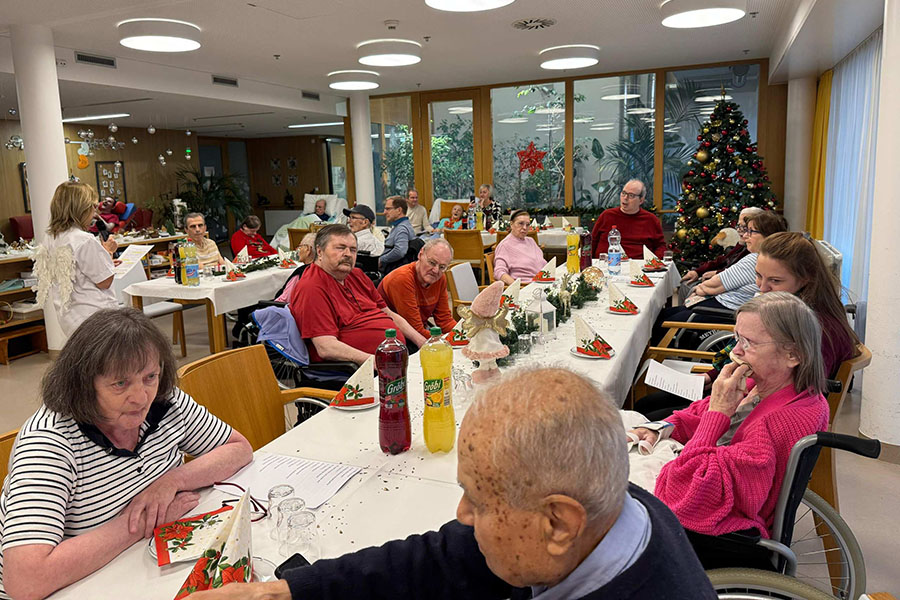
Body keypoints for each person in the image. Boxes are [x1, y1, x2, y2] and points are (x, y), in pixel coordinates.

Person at [186, 368, 716, 600]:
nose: (462, 514)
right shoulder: (605, 504)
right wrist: (284, 591)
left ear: (558, 522)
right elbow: (444, 558)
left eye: (479, 501)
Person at [0, 308, 253, 600]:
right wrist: (142, 522)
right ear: (84, 384)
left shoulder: (164, 401)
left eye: (150, 376)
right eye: (120, 383)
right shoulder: (49, 443)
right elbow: (26, 581)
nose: (141, 397)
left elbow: (238, 449)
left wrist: (171, 481)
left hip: (133, 567)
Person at [631, 293, 829, 570]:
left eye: (748, 343)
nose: (735, 351)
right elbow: (697, 413)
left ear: (793, 355)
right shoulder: (764, 385)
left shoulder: (779, 422)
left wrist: (718, 413)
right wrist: (662, 427)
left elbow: (682, 489)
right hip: (710, 480)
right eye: (737, 338)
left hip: (714, 522)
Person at [638, 231, 858, 421]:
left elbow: (797, 397)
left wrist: (721, 402)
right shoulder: (787, 309)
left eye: (775, 281)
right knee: (648, 405)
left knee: (649, 415)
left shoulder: (815, 328)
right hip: (748, 393)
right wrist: (713, 376)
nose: (762, 288)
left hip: (760, 410)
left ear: (806, 279)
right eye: (759, 276)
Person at [290, 224, 426, 364]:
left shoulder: (356, 275)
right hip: (359, 367)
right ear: (319, 251)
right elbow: (326, 347)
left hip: (394, 355)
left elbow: (388, 313)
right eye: (340, 248)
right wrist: (377, 363)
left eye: (353, 250)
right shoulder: (312, 287)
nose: (348, 254)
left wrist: (422, 342)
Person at [650, 210, 787, 344]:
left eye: (751, 231)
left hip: (723, 310)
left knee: (660, 324)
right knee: (663, 314)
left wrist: (700, 289)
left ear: (768, 235)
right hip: (725, 304)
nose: (745, 235)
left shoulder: (755, 259)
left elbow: (715, 284)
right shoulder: (766, 258)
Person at [33, 181, 119, 337]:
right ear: (81, 209)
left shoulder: (51, 238)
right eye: (92, 207)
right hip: (96, 317)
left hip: (71, 318)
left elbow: (76, 270)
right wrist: (108, 252)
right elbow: (105, 281)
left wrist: (104, 260)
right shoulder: (84, 240)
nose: (95, 213)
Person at [377, 239, 457, 338]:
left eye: (442, 267)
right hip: (394, 336)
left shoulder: (440, 279)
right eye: (432, 263)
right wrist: (448, 340)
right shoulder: (402, 279)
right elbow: (415, 329)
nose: (436, 270)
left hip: (419, 331)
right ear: (420, 254)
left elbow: (445, 320)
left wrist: (462, 334)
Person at [680, 207, 764, 289]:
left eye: (745, 227)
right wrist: (697, 271)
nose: (739, 230)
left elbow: (737, 273)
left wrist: (718, 273)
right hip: (721, 281)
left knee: (691, 288)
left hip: (727, 288)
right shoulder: (742, 244)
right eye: (738, 225)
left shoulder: (755, 252)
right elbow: (724, 259)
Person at [590, 180, 666, 259]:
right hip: (606, 263)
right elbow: (592, 242)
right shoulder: (607, 215)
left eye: (631, 195)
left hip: (639, 264)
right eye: (623, 193)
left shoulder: (651, 220)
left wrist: (655, 262)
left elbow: (660, 246)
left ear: (641, 200)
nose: (625, 198)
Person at [493, 209, 545, 285]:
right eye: (521, 223)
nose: (525, 227)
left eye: (527, 224)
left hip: (542, 282)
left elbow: (542, 263)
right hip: (526, 286)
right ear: (511, 224)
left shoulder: (531, 241)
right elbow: (499, 272)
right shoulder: (505, 245)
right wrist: (516, 286)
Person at [274, 232, 317, 303]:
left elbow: (283, 301)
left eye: (300, 246)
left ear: (308, 249)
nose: (298, 250)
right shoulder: (323, 269)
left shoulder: (301, 273)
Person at [379, 196, 417, 273]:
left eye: (388, 209)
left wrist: (381, 260)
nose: (384, 212)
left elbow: (400, 251)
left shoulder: (402, 228)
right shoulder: (402, 225)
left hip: (393, 271)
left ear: (399, 210)